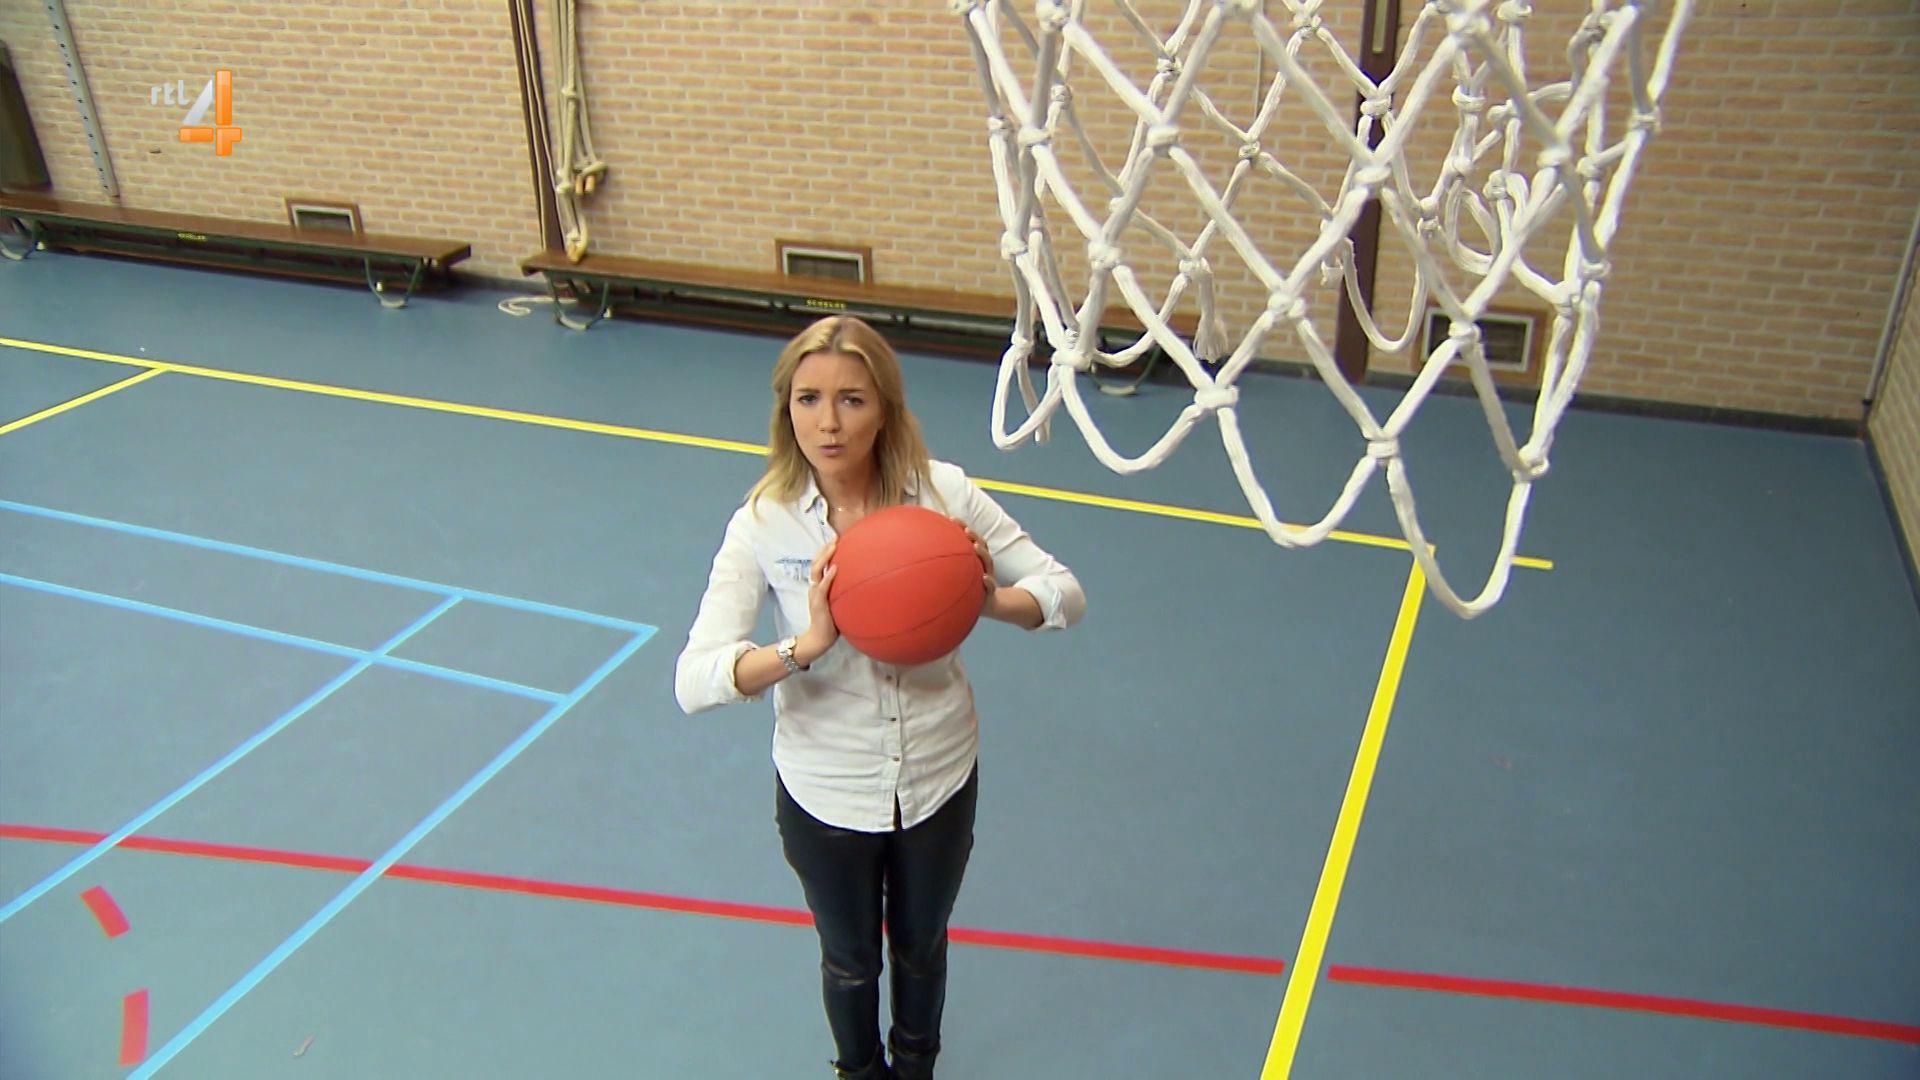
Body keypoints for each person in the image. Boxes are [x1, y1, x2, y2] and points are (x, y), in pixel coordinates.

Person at [673, 315, 1086, 1079]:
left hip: (938, 774)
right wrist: (806, 645)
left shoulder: (943, 494)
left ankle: (916, 1066)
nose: (827, 423)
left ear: (885, 408)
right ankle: (859, 1072)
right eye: (809, 399)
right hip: (825, 788)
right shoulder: (763, 524)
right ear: (786, 408)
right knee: (850, 957)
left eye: (852, 400)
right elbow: (694, 681)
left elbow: (1065, 593)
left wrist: (987, 600)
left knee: (922, 946)